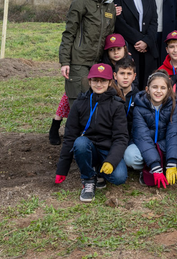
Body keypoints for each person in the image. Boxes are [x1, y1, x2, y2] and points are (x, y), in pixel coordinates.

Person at [55, 0, 117, 144]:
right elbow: (68, 34)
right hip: (78, 62)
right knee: (78, 107)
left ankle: (89, 145)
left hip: (97, 64)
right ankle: (71, 147)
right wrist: (65, 61)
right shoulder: (80, 3)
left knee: (94, 106)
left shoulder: (110, 6)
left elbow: (109, 36)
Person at [54, 63, 129, 203]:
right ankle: (88, 178)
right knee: (80, 143)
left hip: (108, 149)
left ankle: (100, 169)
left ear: (110, 82)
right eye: (95, 80)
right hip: (88, 147)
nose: (98, 84)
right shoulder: (79, 103)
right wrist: (62, 169)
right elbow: (70, 135)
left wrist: (111, 161)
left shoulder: (117, 105)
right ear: (89, 81)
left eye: (103, 81)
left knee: (119, 178)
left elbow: (121, 137)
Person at [51, 33, 127, 145]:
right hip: (100, 89)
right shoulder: (103, 64)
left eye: (118, 49)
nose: (115, 52)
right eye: (111, 50)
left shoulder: (128, 63)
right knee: (69, 93)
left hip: (115, 94)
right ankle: (56, 123)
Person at [125, 72, 177, 188]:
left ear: (168, 90)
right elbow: (142, 137)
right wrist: (155, 165)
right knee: (130, 156)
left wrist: (171, 162)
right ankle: (153, 167)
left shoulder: (172, 105)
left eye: (163, 88)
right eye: (154, 87)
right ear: (147, 89)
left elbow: (174, 133)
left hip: (164, 145)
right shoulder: (139, 107)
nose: (158, 91)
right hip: (144, 145)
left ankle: (168, 166)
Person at [115, 0, 159, 89]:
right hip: (131, 47)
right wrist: (139, 40)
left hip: (148, 49)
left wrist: (147, 41)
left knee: (148, 86)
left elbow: (154, 21)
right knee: (132, 86)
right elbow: (120, 23)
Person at [113, 56, 139, 136]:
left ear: (134, 76)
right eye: (122, 73)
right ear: (115, 76)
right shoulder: (109, 94)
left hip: (131, 137)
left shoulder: (139, 97)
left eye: (129, 73)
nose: (125, 77)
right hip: (110, 137)